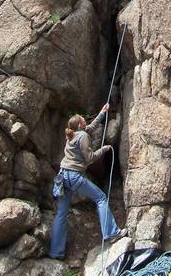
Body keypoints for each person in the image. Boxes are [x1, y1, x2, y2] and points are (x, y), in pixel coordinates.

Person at [48, 103, 127, 259]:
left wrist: (102, 113)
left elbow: (90, 128)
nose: (85, 120)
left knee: (61, 214)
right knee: (101, 198)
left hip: (63, 176)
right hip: (74, 176)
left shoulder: (72, 135)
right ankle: (111, 233)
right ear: (79, 125)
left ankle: (55, 252)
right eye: (83, 119)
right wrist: (103, 150)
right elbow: (89, 158)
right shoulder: (82, 136)